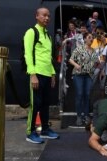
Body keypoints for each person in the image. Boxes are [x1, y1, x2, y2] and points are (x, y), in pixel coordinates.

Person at [24, 7, 59, 144]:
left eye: (48, 16)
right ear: (37, 16)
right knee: (35, 104)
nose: (47, 18)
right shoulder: (31, 32)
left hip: (46, 74)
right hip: (36, 73)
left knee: (45, 104)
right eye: (44, 15)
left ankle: (45, 129)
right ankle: (30, 132)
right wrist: (32, 74)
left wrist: (53, 74)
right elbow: (28, 54)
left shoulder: (48, 35)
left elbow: (49, 57)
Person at [69, 32, 99, 126]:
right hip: (78, 75)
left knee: (87, 95)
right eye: (89, 37)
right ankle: (79, 116)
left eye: (92, 38)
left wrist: (96, 67)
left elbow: (97, 61)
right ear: (85, 39)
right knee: (79, 94)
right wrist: (76, 65)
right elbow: (70, 59)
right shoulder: (79, 49)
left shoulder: (94, 51)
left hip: (88, 75)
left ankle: (86, 115)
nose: (91, 39)